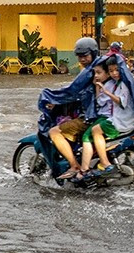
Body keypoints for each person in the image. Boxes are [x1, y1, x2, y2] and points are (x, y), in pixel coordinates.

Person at [41, 37, 100, 176]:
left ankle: (74, 166)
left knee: (54, 132)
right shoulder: (99, 67)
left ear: (93, 53)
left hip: (90, 117)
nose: (82, 59)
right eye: (79, 56)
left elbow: (72, 90)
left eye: (85, 55)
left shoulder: (90, 71)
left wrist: (52, 97)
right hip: (103, 115)